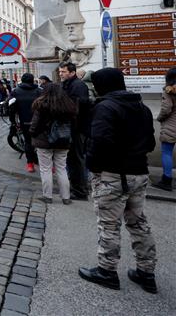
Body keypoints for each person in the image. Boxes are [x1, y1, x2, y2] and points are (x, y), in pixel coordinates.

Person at [78, 68, 157, 294]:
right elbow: (151, 144)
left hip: (113, 174)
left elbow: (100, 141)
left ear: (102, 85)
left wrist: (93, 166)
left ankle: (107, 271)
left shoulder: (105, 107)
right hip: (139, 173)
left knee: (109, 225)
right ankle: (146, 272)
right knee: (139, 223)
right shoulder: (141, 107)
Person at [29, 83, 75, 203]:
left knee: (45, 169)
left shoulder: (41, 104)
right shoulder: (68, 104)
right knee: (62, 168)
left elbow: (35, 124)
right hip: (63, 140)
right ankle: (66, 197)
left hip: (44, 141)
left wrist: (32, 134)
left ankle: (47, 196)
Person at [59, 62, 91, 200]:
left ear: (72, 73)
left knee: (77, 160)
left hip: (77, 128)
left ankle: (81, 191)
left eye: (63, 72)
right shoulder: (68, 84)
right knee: (72, 160)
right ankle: (76, 188)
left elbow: (78, 108)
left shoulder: (78, 85)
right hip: (72, 128)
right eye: (60, 71)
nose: (61, 74)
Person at [8, 73, 41, 172]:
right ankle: (46, 164)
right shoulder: (39, 91)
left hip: (24, 121)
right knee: (41, 142)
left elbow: (11, 108)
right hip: (39, 122)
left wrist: (13, 122)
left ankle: (30, 164)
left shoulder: (16, 92)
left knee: (28, 142)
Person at [153, 67, 176, 191]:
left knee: (166, 152)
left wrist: (160, 118)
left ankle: (166, 180)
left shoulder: (169, 91)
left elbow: (166, 109)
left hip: (171, 126)